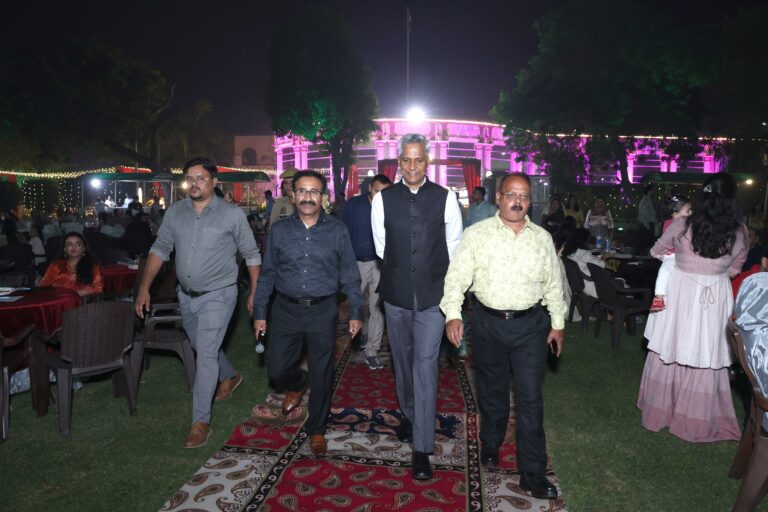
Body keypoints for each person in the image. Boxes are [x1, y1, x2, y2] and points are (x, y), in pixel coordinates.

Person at [441, 172, 566, 500]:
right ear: (499, 197)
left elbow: (553, 284)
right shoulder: (476, 234)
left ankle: (533, 473)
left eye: (524, 196)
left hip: (530, 327)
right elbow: (456, 278)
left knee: (530, 398)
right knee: (492, 390)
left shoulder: (542, 238)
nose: (517, 201)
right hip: (488, 324)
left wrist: (558, 323)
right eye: (511, 194)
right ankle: (491, 442)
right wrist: (453, 314)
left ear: (530, 201)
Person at [135, 157, 262, 449]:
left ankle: (200, 422)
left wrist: (255, 292)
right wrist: (144, 288)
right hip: (186, 295)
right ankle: (230, 375)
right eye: (190, 178)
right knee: (200, 344)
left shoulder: (231, 214)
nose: (194, 183)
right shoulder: (175, 212)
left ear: (214, 182)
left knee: (204, 353)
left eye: (201, 178)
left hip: (220, 294)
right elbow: (160, 248)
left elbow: (251, 254)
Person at [371, 133, 463, 480]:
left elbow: (454, 246)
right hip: (395, 296)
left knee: (425, 366)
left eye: (419, 159)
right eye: (406, 160)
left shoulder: (446, 198)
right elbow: (382, 247)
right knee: (403, 364)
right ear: (399, 163)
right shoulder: (383, 200)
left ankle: (422, 449)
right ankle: (411, 415)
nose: (412, 166)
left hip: (432, 298)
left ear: (428, 161)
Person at [253, 170, 363, 456]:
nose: (307, 197)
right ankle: (298, 383)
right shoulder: (280, 231)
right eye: (302, 191)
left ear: (323, 197)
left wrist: (355, 310)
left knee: (322, 373)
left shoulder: (337, 230)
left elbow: (350, 274)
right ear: (292, 195)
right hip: (285, 310)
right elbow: (267, 274)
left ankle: (317, 430)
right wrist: (260, 312)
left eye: (314, 191)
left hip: (322, 311)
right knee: (277, 370)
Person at [637, 172, 748, 442]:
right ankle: (697, 414)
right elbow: (736, 267)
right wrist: (713, 271)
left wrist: (682, 262)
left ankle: (663, 409)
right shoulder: (740, 231)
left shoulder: (682, 225)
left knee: (672, 346)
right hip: (716, 294)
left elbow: (656, 250)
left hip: (682, 292)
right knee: (707, 351)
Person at [341, 174, 392, 370]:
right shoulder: (354, 206)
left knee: (377, 307)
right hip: (357, 264)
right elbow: (343, 233)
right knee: (356, 304)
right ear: (370, 188)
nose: (381, 196)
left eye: (384, 192)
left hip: (381, 265)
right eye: (377, 191)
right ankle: (362, 333)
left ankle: (372, 351)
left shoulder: (390, 208)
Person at [649, 194, 692, 312]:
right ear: (675, 213)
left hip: (684, 256)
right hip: (672, 255)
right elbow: (667, 242)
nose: (691, 213)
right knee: (664, 271)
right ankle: (659, 297)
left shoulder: (690, 224)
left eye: (691, 210)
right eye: (688, 211)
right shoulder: (670, 223)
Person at [39, 232, 103, 296]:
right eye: (69, 244)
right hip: (58, 300)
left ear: (84, 248)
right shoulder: (56, 265)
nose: (73, 247)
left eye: (77, 244)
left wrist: (74, 294)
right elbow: (43, 286)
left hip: (81, 300)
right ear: (65, 249)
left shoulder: (93, 267)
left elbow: (98, 289)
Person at [562, 228, 604, 298]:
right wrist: (603, 258)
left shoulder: (565, 253)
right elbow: (601, 266)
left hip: (575, 289)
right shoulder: (585, 254)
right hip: (591, 289)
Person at [638, 184, 658, 249]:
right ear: (650, 191)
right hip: (647, 224)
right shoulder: (645, 200)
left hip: (648, 224)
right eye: (653, 190)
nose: (654, 191)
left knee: (648, 243)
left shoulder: (648, 200)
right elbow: (642, 213)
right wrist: (647, 225)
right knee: (647, 243)